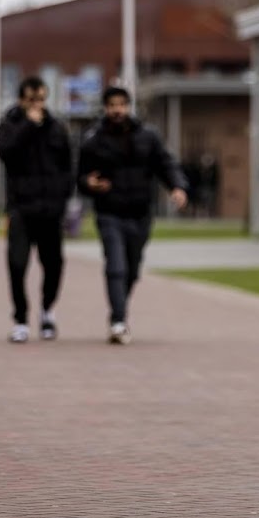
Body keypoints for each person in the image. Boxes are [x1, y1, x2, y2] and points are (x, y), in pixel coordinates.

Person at [77, 86, 188, 345]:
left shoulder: (147, 136)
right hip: (109, 212)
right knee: (115, 266)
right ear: (105, 108)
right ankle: (118, 320)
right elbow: (79, 177)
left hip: (140, 213)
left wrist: (177, 187)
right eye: (112, 105)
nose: (118, 110)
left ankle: (118, 310)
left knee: (132, 269)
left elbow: (165, 164)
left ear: (128, 107)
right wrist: (88, 183)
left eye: (122, 105)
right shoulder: (93, 139)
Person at [0, 76, 74, 344]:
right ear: (21, 100)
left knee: (53, 265)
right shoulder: (10, 125)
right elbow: (6, 153)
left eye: (41, 99)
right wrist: (29, 125)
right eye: (31, 100)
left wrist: (63, 199)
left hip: (51, 210)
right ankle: (20, 319)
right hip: (21, 208)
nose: (37, 105)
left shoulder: (57, 128)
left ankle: (47, 312)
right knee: (17, 264)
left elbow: (67, 166)